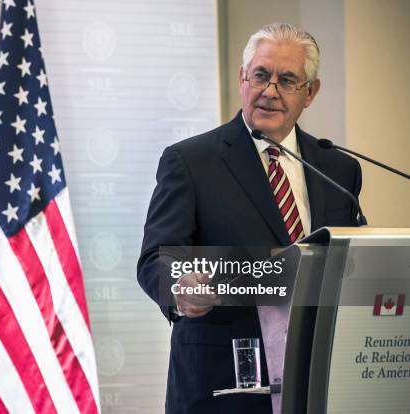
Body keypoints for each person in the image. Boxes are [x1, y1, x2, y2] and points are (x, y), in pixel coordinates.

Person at [137, 22, 362, 413]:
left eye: (287, 80)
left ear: (310, 93)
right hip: (223, 387)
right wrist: (182, 288)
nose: (270, 90)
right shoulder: (191, 161)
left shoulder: (338, 169)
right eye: (261, 75)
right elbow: (156, 258)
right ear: (243, 78)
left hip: (320, 382)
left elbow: (353, 262)